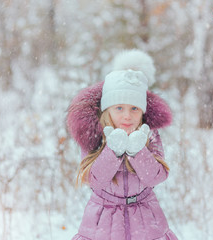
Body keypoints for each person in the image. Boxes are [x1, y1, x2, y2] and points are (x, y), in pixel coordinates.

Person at [66, 49, 178, 240]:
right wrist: (113, 151)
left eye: (134, 108)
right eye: (119, 108)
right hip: (102, 220)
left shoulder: (148, 134)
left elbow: (155, 177)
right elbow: (95, 180)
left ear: (142, 111)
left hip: (146, 218)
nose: (127, 115)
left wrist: (138, 151)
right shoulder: (95, 135)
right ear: (107, 110)